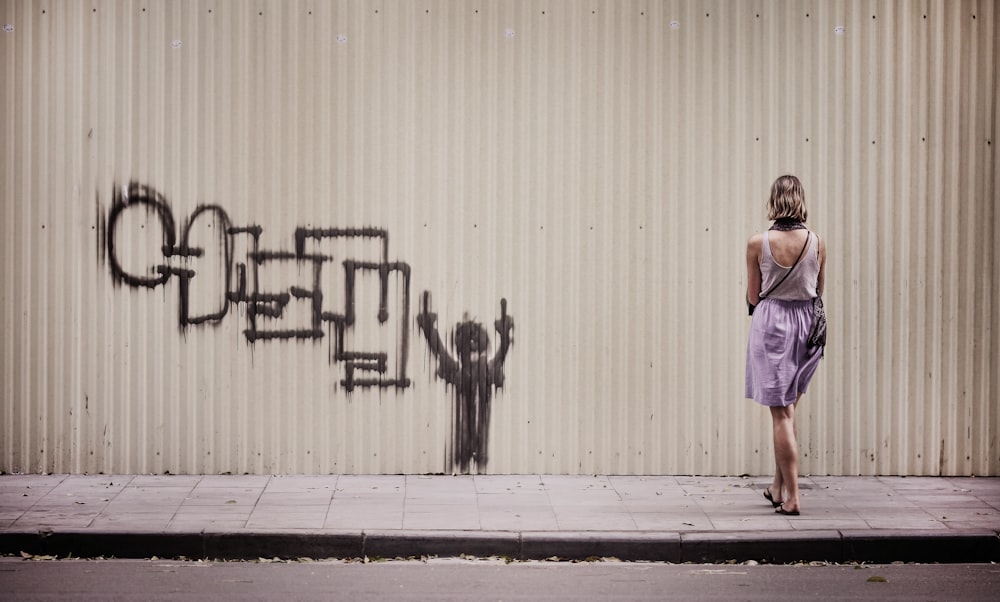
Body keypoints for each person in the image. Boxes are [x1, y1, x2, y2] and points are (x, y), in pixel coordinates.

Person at [745, 175, 826, 516]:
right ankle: (777, 487)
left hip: (773, 322)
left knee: (780, 414)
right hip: (808, 324)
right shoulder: (817, 242)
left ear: (774, 200)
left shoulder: (757, 243)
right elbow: (819, 292)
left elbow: (753, 295)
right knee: (789, 411)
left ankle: (792, 497)